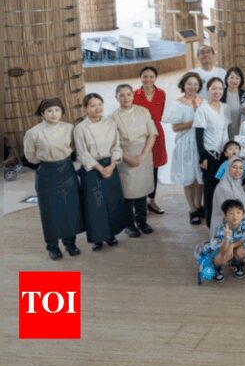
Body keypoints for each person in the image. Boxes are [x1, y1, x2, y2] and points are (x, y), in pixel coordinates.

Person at [24, 98, 83, 260]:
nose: (53, 114)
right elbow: (30, 157)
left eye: (57, 110)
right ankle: (52, 246)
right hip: (47, 174)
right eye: (49, 111)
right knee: (50, 211)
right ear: (42, 114)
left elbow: (74, 148)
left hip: (67, 171)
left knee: (69, 208)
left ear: (62, 112)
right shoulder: (33, 133)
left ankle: (70, 243)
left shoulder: (69, 128)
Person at [74, 93, 128, 251]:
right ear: (86, 108)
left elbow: (116, 146)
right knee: (95, 204)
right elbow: (82, 153)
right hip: (92, 168)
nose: (97, 108)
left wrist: (111, 166)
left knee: (112, 202)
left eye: (99, 104)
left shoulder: (110, 123)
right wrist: (99, 168)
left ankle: (111, 234)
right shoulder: (80, 128)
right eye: (92, 106)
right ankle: (97, 238)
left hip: (110, 165)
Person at [110, 84, 158, 238]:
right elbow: (113, 143)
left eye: (128, 94)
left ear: (133, 95)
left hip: (144, 153)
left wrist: (142, 156)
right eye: (121, 95)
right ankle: (129, 225)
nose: (125, 98)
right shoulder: (112, 118)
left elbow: (152, 134)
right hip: (124, 155)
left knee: (142, 191)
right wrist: (128, 158)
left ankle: (142, 222)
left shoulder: (143, 111)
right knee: (128, 193)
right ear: (116, 97)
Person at [164, 72, 205, 224]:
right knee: (188, 178)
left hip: (200, 143)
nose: (192, 87)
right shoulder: (178, 103)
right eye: (189, 84)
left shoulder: (203, 101)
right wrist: (194, 121)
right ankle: (192, 209)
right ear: (183, 85)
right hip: (185, 143)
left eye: (195, 84)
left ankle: (199, 205)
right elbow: (175, 127)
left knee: (199, 177)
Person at [194, 77, 229, 227]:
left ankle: (223, 219)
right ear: (208, 90)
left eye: (220, 88)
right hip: (209, 155)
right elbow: (199, 134)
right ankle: (210, 222)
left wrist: (230, 152)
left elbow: (226, 131)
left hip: (224, 155)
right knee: (210, 189)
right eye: (213, 88)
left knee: (223, 188)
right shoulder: (203, 109)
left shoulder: (225, 108)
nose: (217, 91)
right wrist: (202, 156)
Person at [195, 199, 245, 284]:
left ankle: (234, 262)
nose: (235, 216)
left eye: (238, 212)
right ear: (225, 216)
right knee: (223, 258)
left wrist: (232, 245)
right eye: (231, 213)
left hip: (231, 246)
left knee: (241, 252)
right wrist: (227, 238)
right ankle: (216, 267)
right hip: (217, 250)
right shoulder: (221, 229)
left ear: (243, 214)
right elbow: (222, 250)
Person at [133, 66, 167, 215]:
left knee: (154, 168)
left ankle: (151, 201)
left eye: (151, 76)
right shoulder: (134, 95)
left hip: (156, 133)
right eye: (145, 76)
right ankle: (139, 204)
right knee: (140, 168)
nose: (148, 79)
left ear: (155, 78)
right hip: (140, 134)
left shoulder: (161, 93)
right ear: (140, 78)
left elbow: (159, 114)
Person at [209, 158, 245, 237]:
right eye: (234, 167)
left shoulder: (238, 183)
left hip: (237, 219)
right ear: (228, 168)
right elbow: (225, 210)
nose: (238, 170)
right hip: (224, 224)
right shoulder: (223, 186)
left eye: (241, 168)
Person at [221, 67, 245, 139]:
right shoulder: (221, 93)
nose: (234, 80)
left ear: (241, 80)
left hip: (241, 133)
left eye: (237, 78)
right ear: (227, 78)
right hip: (223, 133)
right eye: (231, 77)